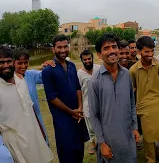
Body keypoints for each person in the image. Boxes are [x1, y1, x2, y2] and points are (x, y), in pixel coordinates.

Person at [88, 33, 140, 163]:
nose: (111, 51)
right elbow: (94, 115)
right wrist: (102, 143)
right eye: (106, 48)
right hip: (108, 140)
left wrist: (135, 127)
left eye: (114, 47)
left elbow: (132, 103)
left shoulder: (126, 74)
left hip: (127, 135)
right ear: (99, 55)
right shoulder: (94, 81)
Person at [0, 45, 53, 163]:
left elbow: (30, 111)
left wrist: (51, 64)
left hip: (33, 130)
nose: (6, 65)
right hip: (13, 141)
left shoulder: (23, 79)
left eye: (8, 61)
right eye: (1, 62)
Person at [42, 34, 89, 163]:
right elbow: (52, 98)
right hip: (63, 119)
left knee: (79, 150)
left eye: (65, 46)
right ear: (53, 49)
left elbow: (78, 87)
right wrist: (71, 112)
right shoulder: (48, 71)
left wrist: (79, 108)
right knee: (67, 153)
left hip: (77, 116)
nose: (63, 50)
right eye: (59, 47)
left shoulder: (72, 66)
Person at [130, 36, 159, 163]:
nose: (150, 54)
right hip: (144, 106)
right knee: (149, 137)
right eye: (146, 52)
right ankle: (151, 159)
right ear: (139, 52)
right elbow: (134, 88)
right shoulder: (133, 70)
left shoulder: (158, 66)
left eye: (152, 51)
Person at [12, 47, 55, 144]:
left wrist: (48, 66)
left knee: (43, 146)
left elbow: (48, 76)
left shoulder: (30, 75)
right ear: (13, 63)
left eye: (26, 62)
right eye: (20, 63)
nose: (23, 66)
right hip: (20, 126)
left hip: (36, 120)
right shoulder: (8, 80)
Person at [77, 50, 100, 154]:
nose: (87, 61)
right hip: (87, 104)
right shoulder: (79, 73)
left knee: (102, 123)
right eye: (85, 59)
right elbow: (79, 91)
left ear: (92, 58)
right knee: (90, 127)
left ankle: (102, 143)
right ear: (82, 60)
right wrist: (80, 106)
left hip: (101, 103)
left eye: (89, 59)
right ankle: (93, 144)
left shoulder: (99, 69)